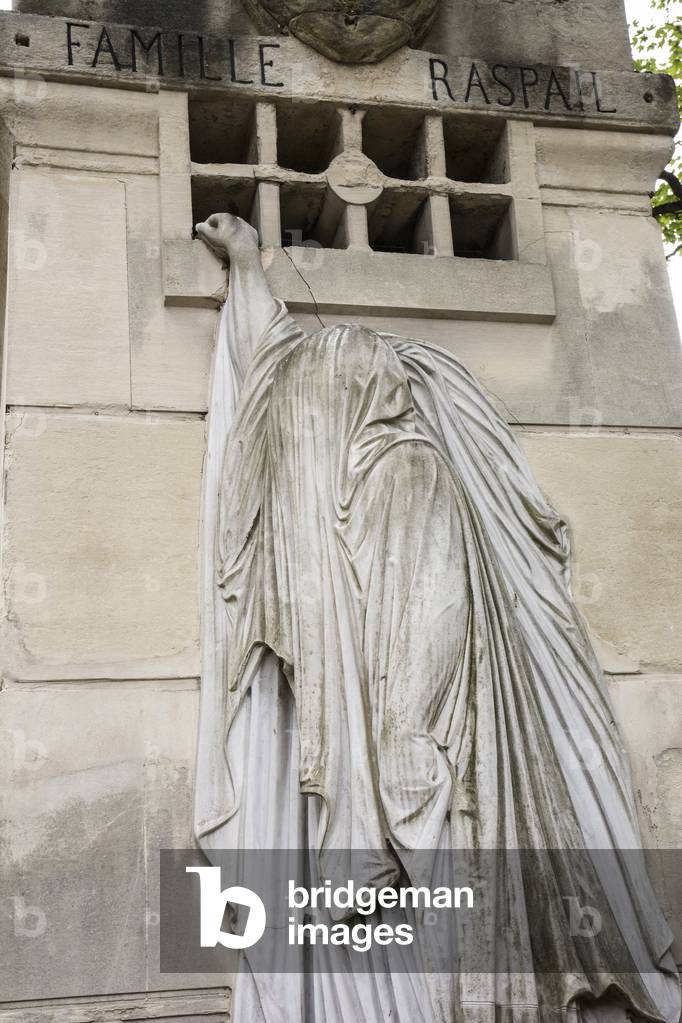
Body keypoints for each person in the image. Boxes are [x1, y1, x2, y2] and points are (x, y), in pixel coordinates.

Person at [193, 213, 681, 1023]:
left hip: (419, 760)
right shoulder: (350, 436)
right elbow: (273, 360)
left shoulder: (405, 466)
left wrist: (383, 793)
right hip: (396, 776)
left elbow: (421, 656)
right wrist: (248, 268)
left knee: (419, 750)